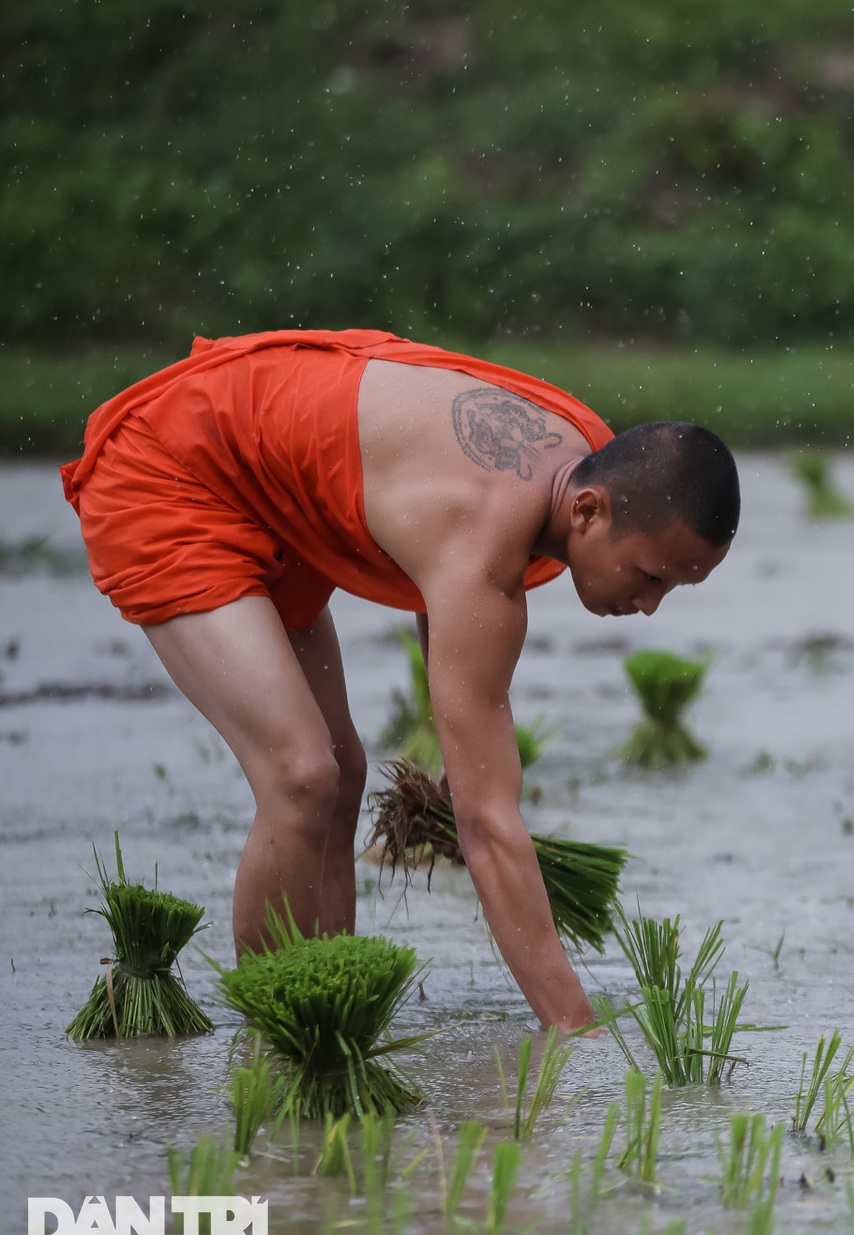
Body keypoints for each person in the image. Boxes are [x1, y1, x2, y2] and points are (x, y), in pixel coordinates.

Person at [61, 329, 740, 1031]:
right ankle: (278, 1041)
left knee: (344, 767)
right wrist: (574, 1029)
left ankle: (332, 1019)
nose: (650, 606)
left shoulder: (584, 455)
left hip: (278, 475)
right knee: (301, 776)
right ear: (590, 511)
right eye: (651, 576)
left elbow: (441, 583)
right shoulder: (482, 540)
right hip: (175, 471)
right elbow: (487, 827)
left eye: (675, 587)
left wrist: (461, 764)